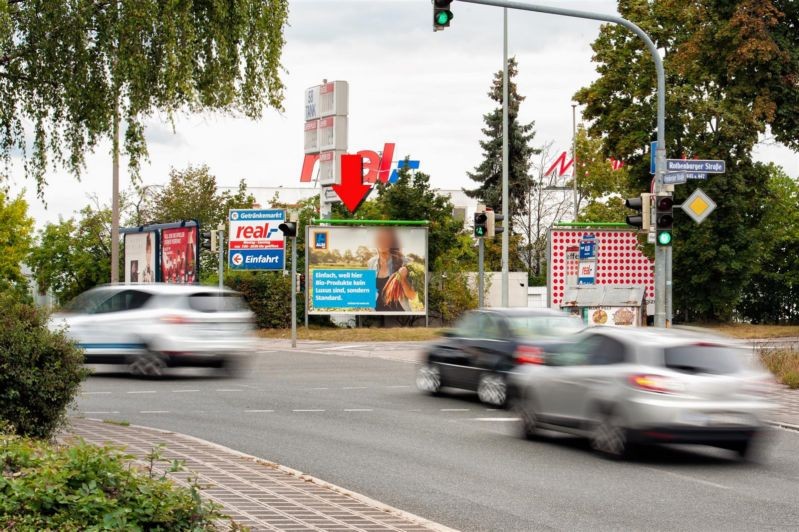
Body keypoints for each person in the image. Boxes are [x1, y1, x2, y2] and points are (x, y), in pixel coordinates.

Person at [367, 227, 416, 312]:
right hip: (377, 314)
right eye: (380, 239)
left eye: (386, 239)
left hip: (399, 316)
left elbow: (412, 296)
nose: (383, 242)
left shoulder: (405, 262)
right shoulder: (371, 262)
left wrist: (403, 279)